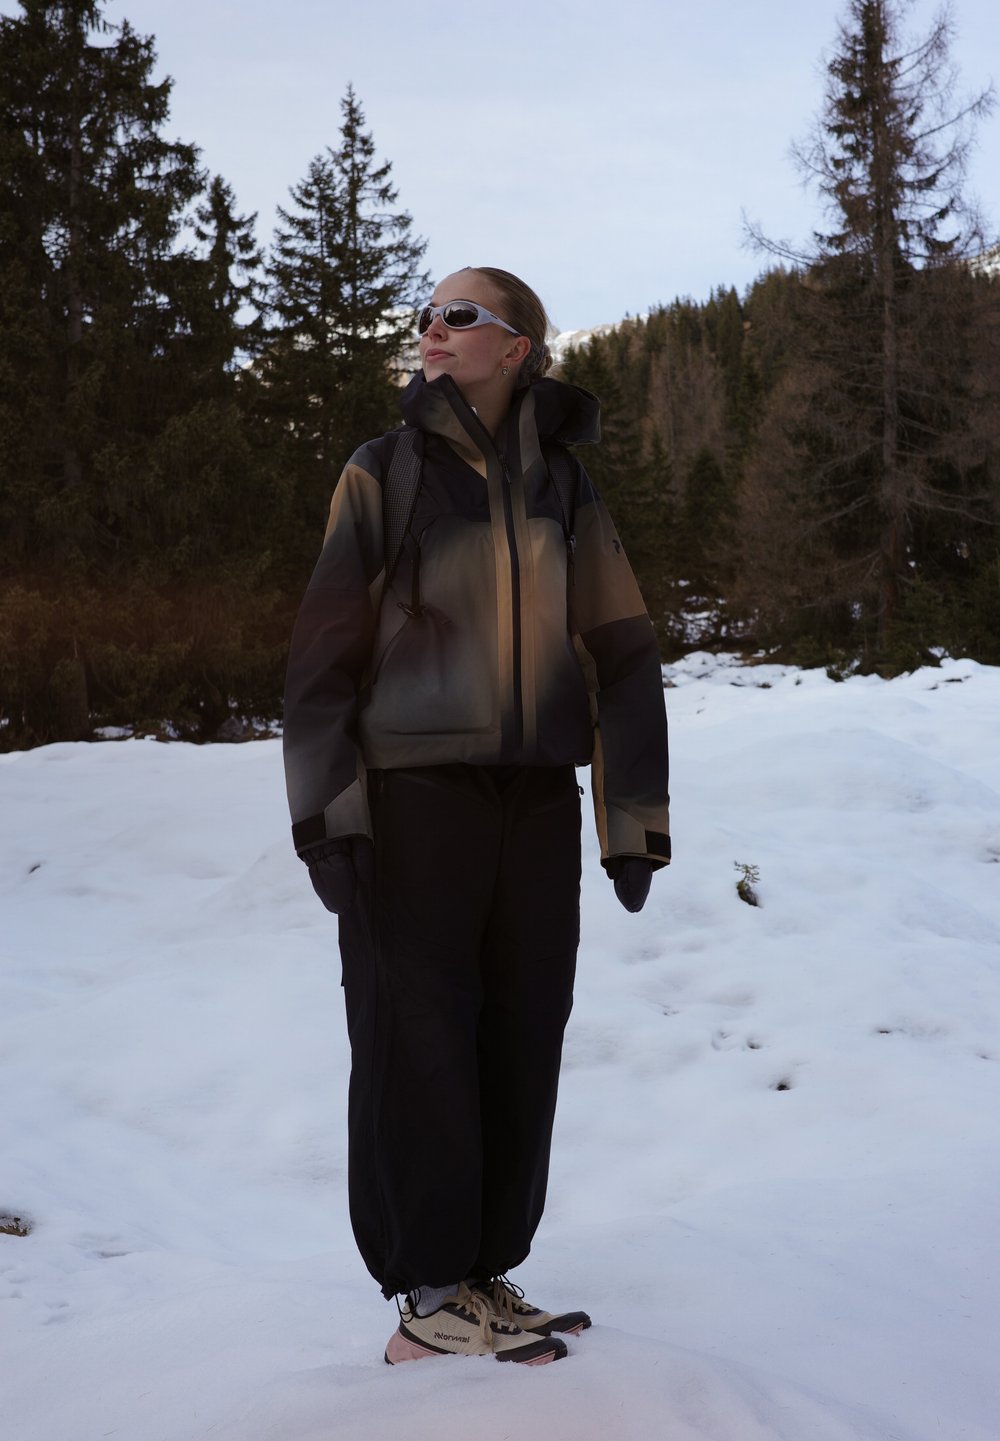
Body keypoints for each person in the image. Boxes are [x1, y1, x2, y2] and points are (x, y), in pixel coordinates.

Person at [282, 266, 670, 1366]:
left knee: (520, 1032)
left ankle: (484, 1273)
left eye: (461, 315)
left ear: (518, 346)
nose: (433, 330)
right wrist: (328, 814)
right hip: (413, 803)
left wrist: (629, 815)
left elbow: (626, 653)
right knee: (417, 1040)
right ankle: (425, 1294)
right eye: (427, 316)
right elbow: (320, 659)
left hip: (535, 804)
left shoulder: (565, 487)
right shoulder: (384, 471)